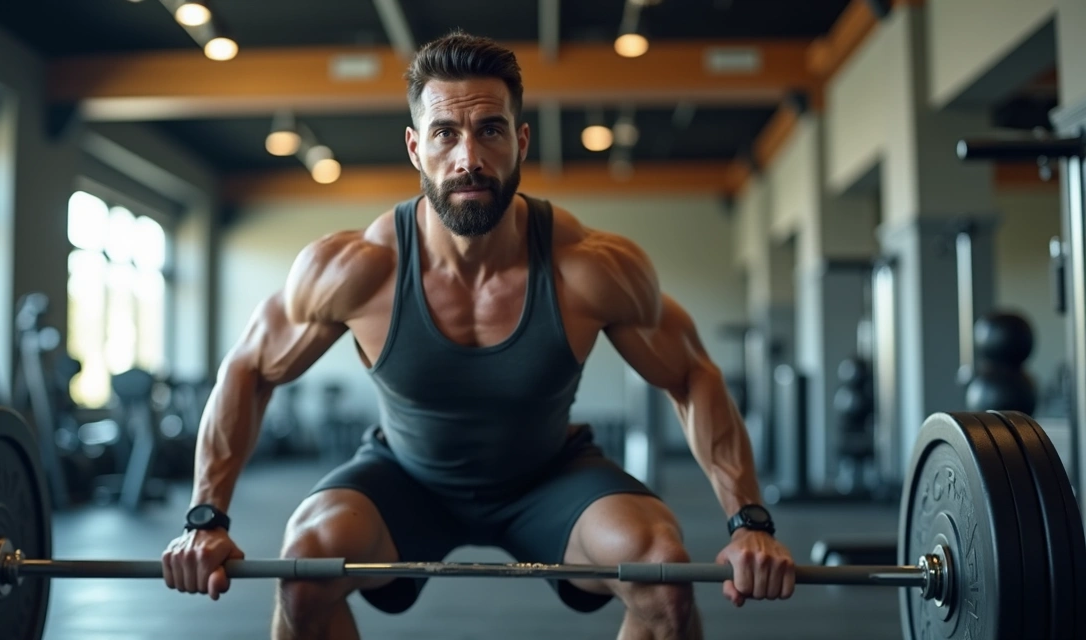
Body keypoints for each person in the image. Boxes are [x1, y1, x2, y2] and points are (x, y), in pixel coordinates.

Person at [162, 30, 796, 639]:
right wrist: (205, 519)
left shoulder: (593, 267)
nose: (468, 158)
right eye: (445, 134)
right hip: (405, 479)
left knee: (663, 573)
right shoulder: (357, 270)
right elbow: (248, 368)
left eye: (489, 129)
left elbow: (690, 375)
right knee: (304, 571)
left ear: (520, 140)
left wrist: (749, 522)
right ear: (416, 148)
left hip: (550, 480)